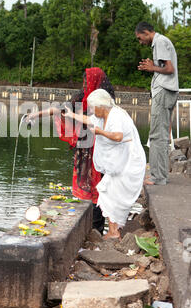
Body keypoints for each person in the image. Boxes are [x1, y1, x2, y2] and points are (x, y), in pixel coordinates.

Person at [26, 67, 115, 234]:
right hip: (85, 151)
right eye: (84, 82)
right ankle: (90, 230)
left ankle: (98, 229)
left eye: (87, 82)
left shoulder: (105, 101)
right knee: (87, 188)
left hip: (103, 151)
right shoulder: (80, 98)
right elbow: (60, 111)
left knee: (102, 188)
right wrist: (35, 115)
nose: (85, 85)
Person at [64, 89, 146, 240]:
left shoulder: (116, 115)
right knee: (107, 193)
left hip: (128, 162)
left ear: (102, 106)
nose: (92, 111)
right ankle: (114, 230)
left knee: (113, 194)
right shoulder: (103, 115)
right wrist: (71, 115)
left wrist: (100, 132)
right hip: (118, 163)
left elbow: (117, 136)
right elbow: (88, 120)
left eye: (94, 108)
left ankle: (114, 232)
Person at [136, 22, 179, 185]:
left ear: (146, 32)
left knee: (157, 135)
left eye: (140, 38)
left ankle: (158, 177)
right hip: (166, 91)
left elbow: (169, 69)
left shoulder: (159, 42)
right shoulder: (161, 42)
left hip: (164, 92)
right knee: (159, 134)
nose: (140, 42)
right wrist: (152, 66)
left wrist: (152, 67)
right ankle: (158, 174)